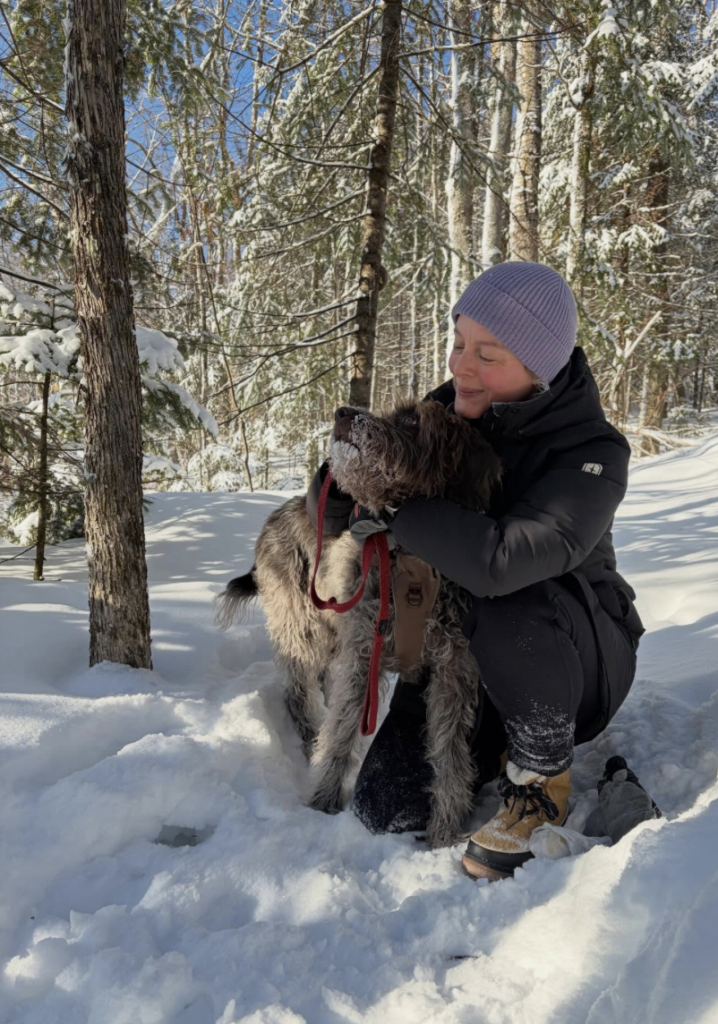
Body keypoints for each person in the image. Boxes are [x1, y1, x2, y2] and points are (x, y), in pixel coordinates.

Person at [306, 261, 644, 880]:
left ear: (540, 366)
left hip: (573, 656)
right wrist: (337, 487)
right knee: (386, 809)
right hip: (462, 656)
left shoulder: (591, 452)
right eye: (459, 342)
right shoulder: (450, 409)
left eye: (488, 354)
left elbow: (504, 559)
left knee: (513, 596)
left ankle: (541, 779)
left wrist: (396, 510)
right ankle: (491, 745)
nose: (462, 366)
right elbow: (354, 497)